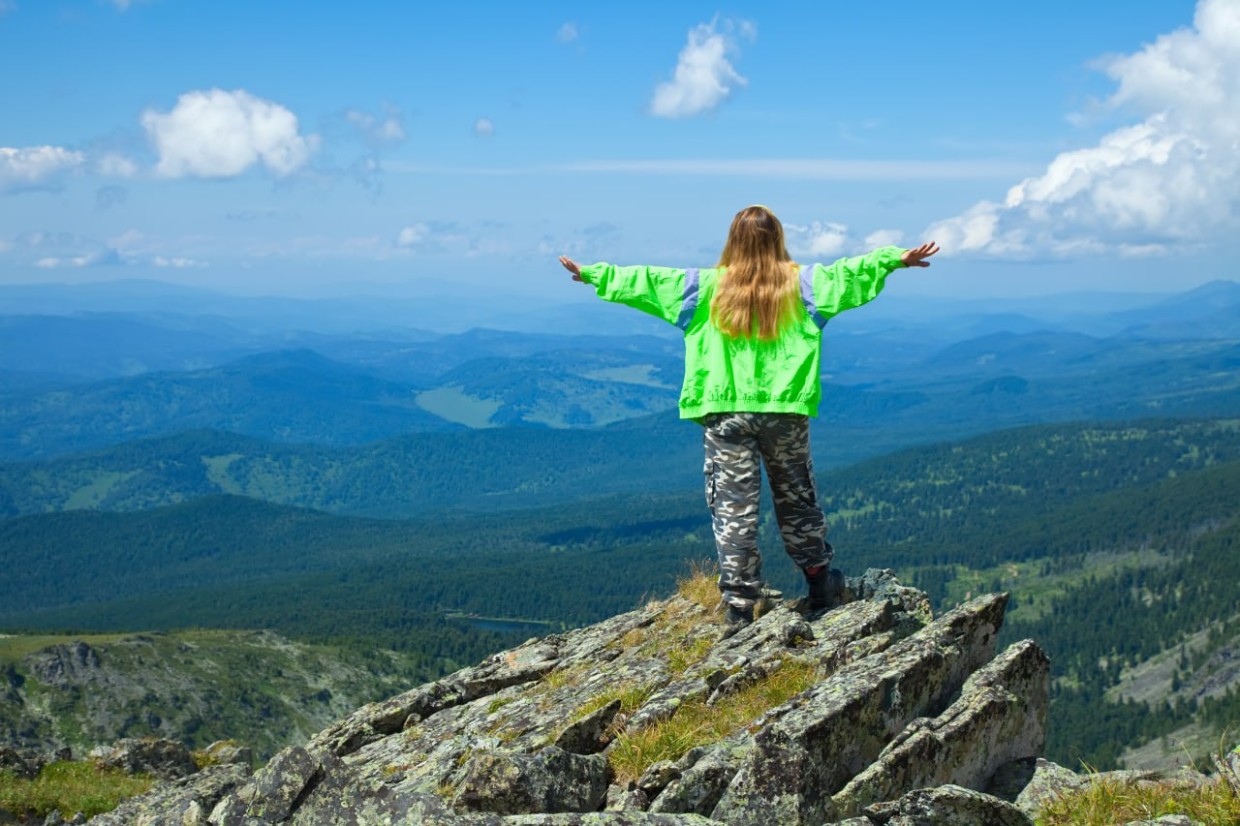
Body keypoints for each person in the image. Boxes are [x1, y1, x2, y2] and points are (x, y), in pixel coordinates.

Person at [558, 205, 938, 628]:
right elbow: (851, 272)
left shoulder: (701, 288)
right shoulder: (806, 286)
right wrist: (894, 259)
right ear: (777, 240)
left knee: (733, 506)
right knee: (797, 496)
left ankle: (739, 607)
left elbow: (645, 280)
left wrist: (594, 274)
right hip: (784, 410)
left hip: (725, 412)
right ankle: (819, 583)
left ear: (733, 241)